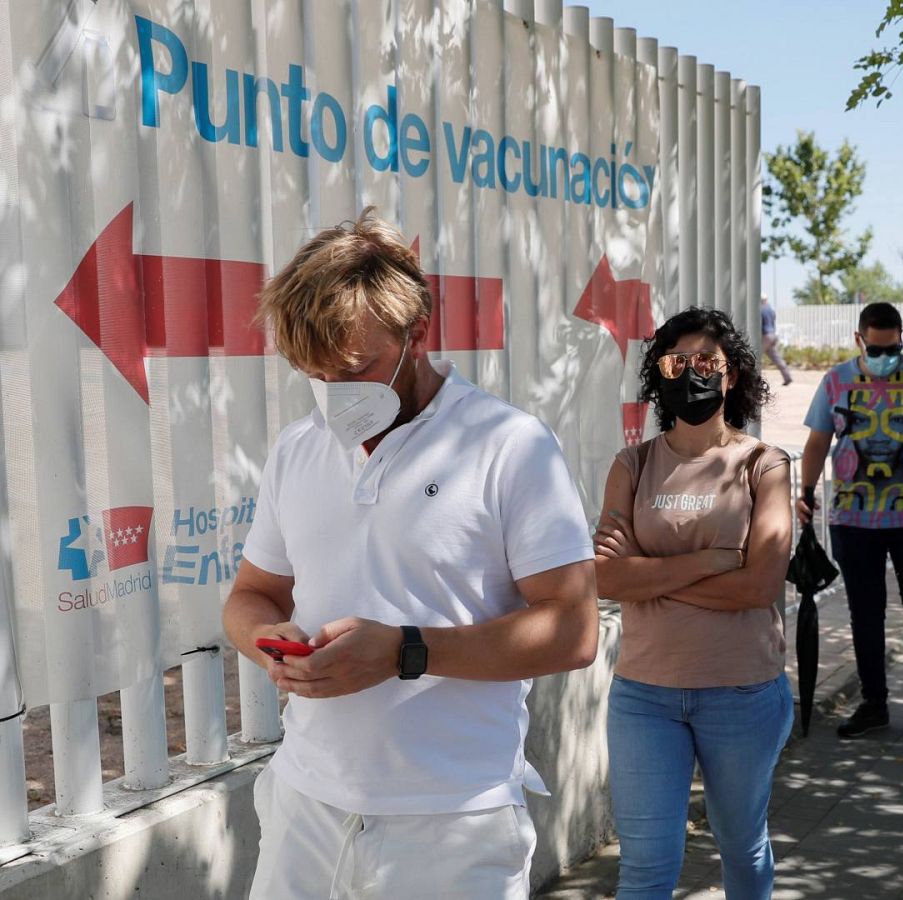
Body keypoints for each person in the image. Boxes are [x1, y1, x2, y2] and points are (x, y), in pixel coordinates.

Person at [224, 209, 599, 899]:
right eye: (314, 373)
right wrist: (266, 639)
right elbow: (252, 596)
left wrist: (405, 650)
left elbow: (573, 631)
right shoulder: (298, 449)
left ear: (416, 332)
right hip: (305, 806)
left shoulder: (508, 446)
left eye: (356, 368)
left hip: (454, 821)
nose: (336, 395)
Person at [593, 308, 794, 898]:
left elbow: (759, 587)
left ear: (731, 375)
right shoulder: (631, 465)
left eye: (707, 361)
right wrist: (709, 562)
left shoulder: (765, 465)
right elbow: (605, 580)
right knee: (646, 869)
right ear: (659, 373)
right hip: (644, 697)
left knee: (741, 846)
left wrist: (647, 574)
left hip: (742, 693)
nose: (693, 374)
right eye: (677, 362)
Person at [797, 302, 903, 739]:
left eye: (892, 348)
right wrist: (806, 491)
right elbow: (818, 441)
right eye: (875, 349)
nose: (883, 357)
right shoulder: (836, 380)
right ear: (860, 340)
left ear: (901, 339)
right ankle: (875, 703)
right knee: (865, 614)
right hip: (853, 521)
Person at [758, 294, 793, 387]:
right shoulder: (771, 310)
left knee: (755, 357)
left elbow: (759, 324)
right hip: (773, 335)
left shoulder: (760, 310)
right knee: (777, 358)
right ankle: (787, 377)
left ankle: (754, 378)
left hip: (765, 336)